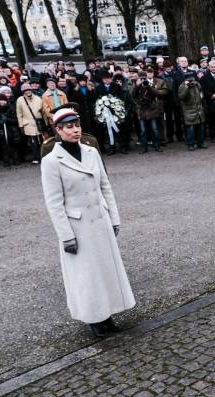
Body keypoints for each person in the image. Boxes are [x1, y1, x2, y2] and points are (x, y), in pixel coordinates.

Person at [41, 107, 135, 338]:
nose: (75, 130)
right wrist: (66, 235)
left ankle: (109, 313)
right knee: (87, 276)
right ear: (58, 130)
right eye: (69, 127)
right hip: (78, 227)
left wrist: (114, 218)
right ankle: (94, 318)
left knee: (106, 270)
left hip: (100, 221)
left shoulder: (91, 152)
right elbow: (54, 203)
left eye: (77, 126)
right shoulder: (51, 161)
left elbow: (105, 186)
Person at [177, 71, 207, 150]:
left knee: (200, 128)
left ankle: (200, 143)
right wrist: (186, 87)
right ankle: (190, 144)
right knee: (190, 129)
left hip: (199, 109)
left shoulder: (197, 84)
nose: (191, 81)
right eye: (189, 80)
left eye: (192, 79)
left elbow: (201, 95)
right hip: (189, 111)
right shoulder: (182, 86)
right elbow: (181, 97)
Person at [16, 82, 44, 164]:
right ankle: (35, 157)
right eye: (25, 90)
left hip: (38, 123)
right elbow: (19, 114)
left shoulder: (38, 98)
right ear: (23, 92)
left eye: (28, 90)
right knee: (33, 142)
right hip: (28, 124)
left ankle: (42, 156)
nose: (27, 92)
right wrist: (21, 126)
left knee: (41, 140)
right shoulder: (20, 100)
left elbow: (43, 111)